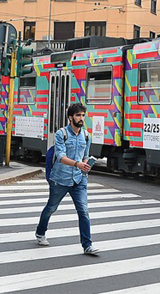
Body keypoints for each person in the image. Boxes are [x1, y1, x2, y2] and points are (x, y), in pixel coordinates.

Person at [35, 102, 99, 255]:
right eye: (78, 115)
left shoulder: (86, 135)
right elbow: (61, 157)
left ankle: (87, 245)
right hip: (60, 179)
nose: (81, 118)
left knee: (84, 211)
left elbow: (85, 155)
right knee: (51, 207)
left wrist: (85, 164)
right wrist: (78, 164)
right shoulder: (61, 134)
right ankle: (40, 232)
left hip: (79, 179)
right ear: (70, 117)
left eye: (83, 115)